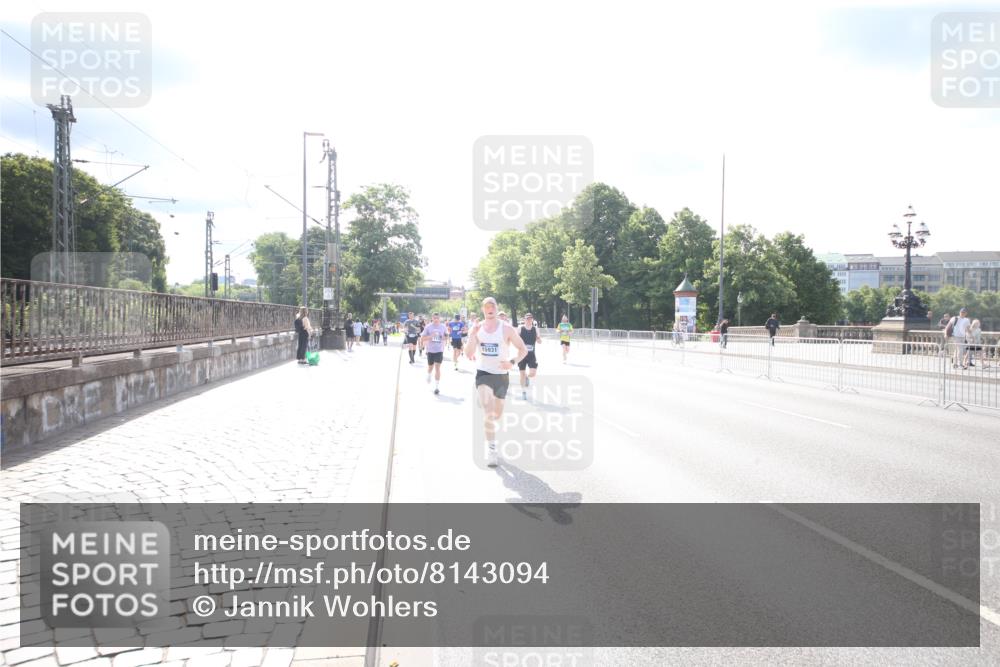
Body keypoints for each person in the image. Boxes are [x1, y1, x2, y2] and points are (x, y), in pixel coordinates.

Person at [466, 297, 528, 467]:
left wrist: (512, 362)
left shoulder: (506, 328)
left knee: (496, 415)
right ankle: (492, 451)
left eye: (492, 306)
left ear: (496, 308)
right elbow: (468, 352)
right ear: (483, 310)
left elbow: (523, 350)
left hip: (501, 375)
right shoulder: (477, 329)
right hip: (483, 373)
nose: (490, 309)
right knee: (488, 410)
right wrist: (472, 335)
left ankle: (492, 423)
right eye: (486, 307)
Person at [421, 312, 449, 394]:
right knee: (430, 367)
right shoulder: (428, 327)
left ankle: (436, 387)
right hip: (430, 350)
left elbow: (447, 336)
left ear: (439, 318)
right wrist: (431, 336)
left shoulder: (443, 327)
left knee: (437, 367)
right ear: (432, 318)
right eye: (434, 318)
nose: (436, 319)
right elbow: (422, 338)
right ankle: (429, 374)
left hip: (439, 350)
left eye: (437, 318)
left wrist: (442, 337)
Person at [517, 312, 541, 400]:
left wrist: (539, 340)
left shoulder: (535, 329)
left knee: (533, 373)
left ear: (532, 320)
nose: (529, 320)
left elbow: (539, 339)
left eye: (530, 318)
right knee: (522, 374)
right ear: (524, 320)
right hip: (522, 355)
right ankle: (523, 391)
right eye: (527, 318)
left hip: (531, 355)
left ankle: (527, 377)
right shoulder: (520, 328)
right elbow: (516, 339)